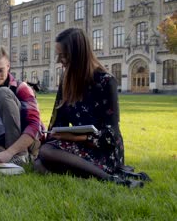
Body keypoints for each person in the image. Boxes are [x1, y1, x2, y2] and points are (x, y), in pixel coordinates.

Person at [33, 28, 143, 187]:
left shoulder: (105, 81)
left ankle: (111, 180)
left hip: (103, 150)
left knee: (47, 153)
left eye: (63, 55)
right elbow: (58, 121)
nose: (59, 60)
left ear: (78, 55)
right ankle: (87, 176)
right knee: (39, 162)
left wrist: (78, 138)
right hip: (77, 147)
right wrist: (51, 137)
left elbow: (111, 134)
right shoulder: (66, 80)